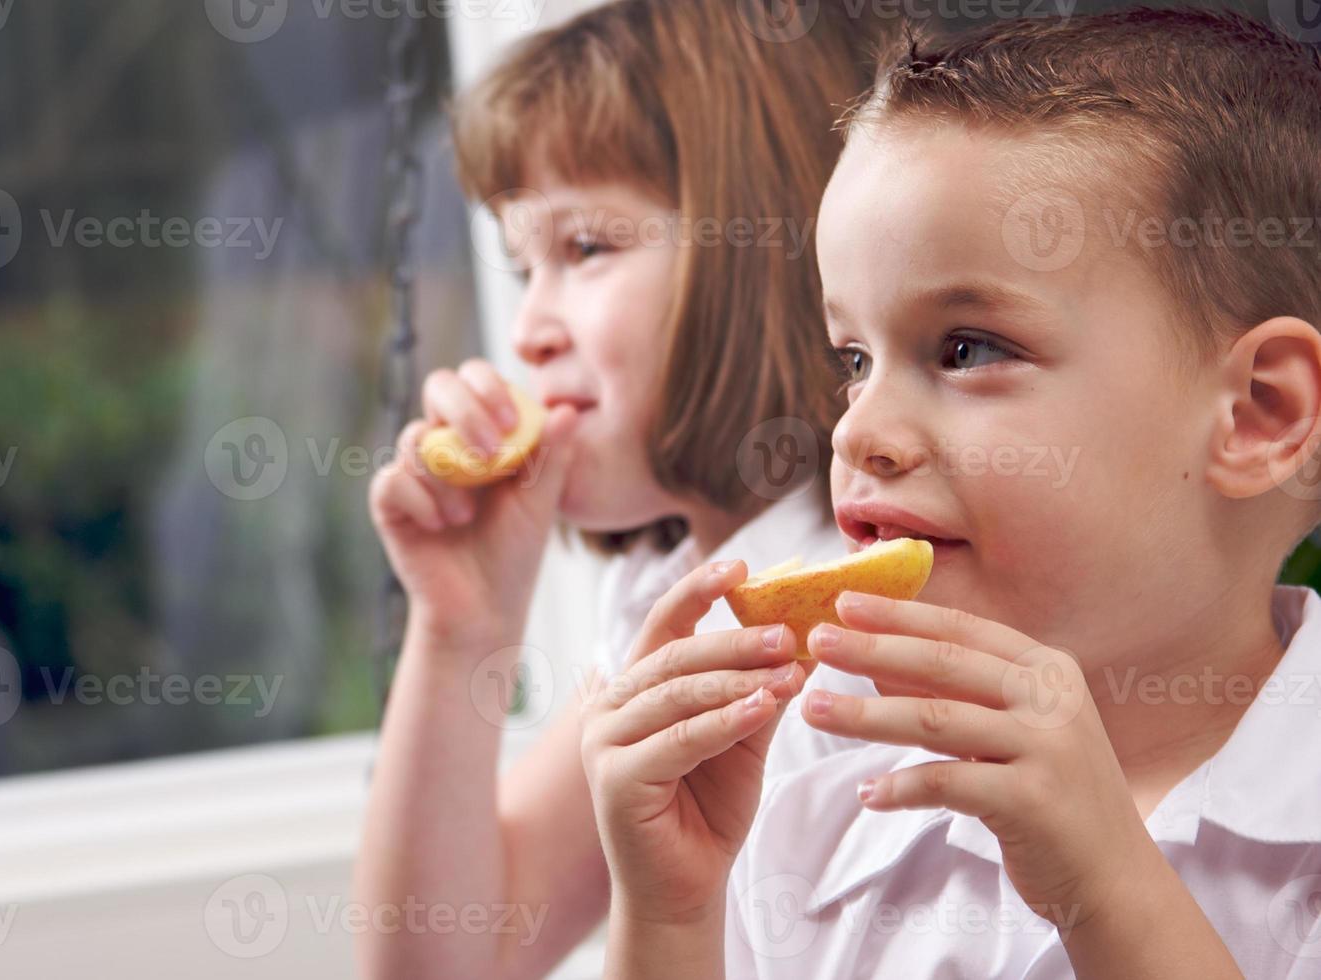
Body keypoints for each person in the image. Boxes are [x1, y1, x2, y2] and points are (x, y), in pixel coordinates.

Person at [582, 8, 1321, 978]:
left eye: (964, 349)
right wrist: (670, 915)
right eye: (852, 358)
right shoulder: (813, 824)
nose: (853, 432)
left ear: (1256, 414)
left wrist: (1104, 892)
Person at [355, 1, 877, 976]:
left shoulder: (869, 590)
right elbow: (450, 960)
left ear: (760, 248)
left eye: (584, 248)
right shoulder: (664, 595)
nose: (527, 331)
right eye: (522, 267)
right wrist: (460, 624)